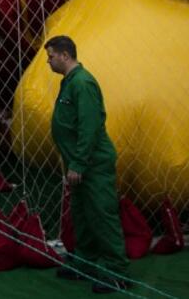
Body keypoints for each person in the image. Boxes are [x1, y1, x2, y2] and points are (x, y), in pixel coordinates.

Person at [45, 36, 129, 294]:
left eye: (51, 56)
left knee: (102, 215)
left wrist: (79, 163)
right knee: (81, 214)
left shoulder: (83, 83)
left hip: (92, 164)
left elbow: (89, 126)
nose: (48, 61)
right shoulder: (69, 83)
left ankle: (117, 273)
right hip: (78, 164)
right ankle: (86, 262)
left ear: (65, 55)